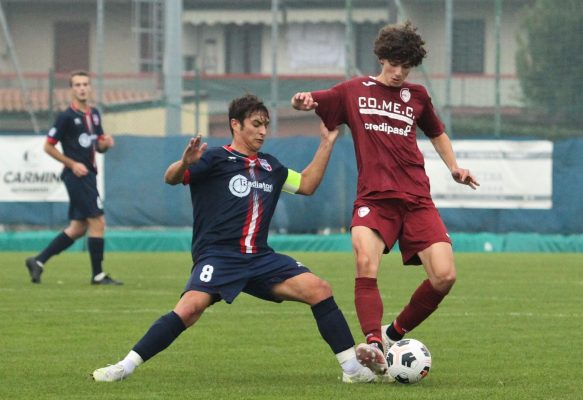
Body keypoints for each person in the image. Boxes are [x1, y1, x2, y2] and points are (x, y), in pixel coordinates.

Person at [92, 94, 376, 384]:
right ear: (235, 125)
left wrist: (327, 143)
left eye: (266, 124)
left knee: (319, 289)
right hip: (219, 256)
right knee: (190, 309)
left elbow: (306, 184)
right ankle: (123, 367)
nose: (263, 131)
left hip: (261, 258)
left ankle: (352, 371)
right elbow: (170, 178)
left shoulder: (271, 167)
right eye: (256, 124)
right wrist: (183, 163)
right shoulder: (214, 158)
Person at [291, 21, 479, 377]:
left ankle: (394, 334)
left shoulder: (418, 96)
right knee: (366, 262)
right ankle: (374, 343)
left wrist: (454, 167)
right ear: (381, 58)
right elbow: (314, 100)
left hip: (417, 200)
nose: (399, 72)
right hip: (374, 199)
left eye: (406, 66)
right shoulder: (353, 90)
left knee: (445, 276)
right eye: (394, 64)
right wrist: (300, 100)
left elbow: (437, 133)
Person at [24, 70, 122, 285]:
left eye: (85, 84)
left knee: (78, 228)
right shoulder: (66, 117)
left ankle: (38, 261)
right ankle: (98, 275)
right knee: (98, 222)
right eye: (77, 84)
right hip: (77, 176)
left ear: (90, 87)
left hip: (88, 175)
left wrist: (105, 145)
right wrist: (72, 163)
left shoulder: (94, 114)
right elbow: (48, 146)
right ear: (71, 89)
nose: (82, 88)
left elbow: (99, 144)